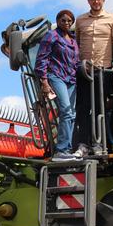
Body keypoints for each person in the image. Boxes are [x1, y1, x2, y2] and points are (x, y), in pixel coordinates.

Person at [72, 0, 113, 157]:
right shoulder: (80, 20)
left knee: (99, 108)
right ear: (88, 1)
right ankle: (83, 145)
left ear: (104, 0)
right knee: (82, 108)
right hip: (84, 70)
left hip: (103, 70)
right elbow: (76, 45)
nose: (96, 2)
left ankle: (98, 143)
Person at [34, 9, 80, 161]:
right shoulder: (51, 36)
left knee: (72, 114)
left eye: (69, 21)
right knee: (66, 111)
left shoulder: (73, 40)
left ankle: (67, 149)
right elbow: (41, 60)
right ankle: (61, 150)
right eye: (63, 20)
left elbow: (76, 62)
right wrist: (44, 81)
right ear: (58, 21)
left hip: (71, 79)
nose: (66, 23)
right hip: (56, 76)